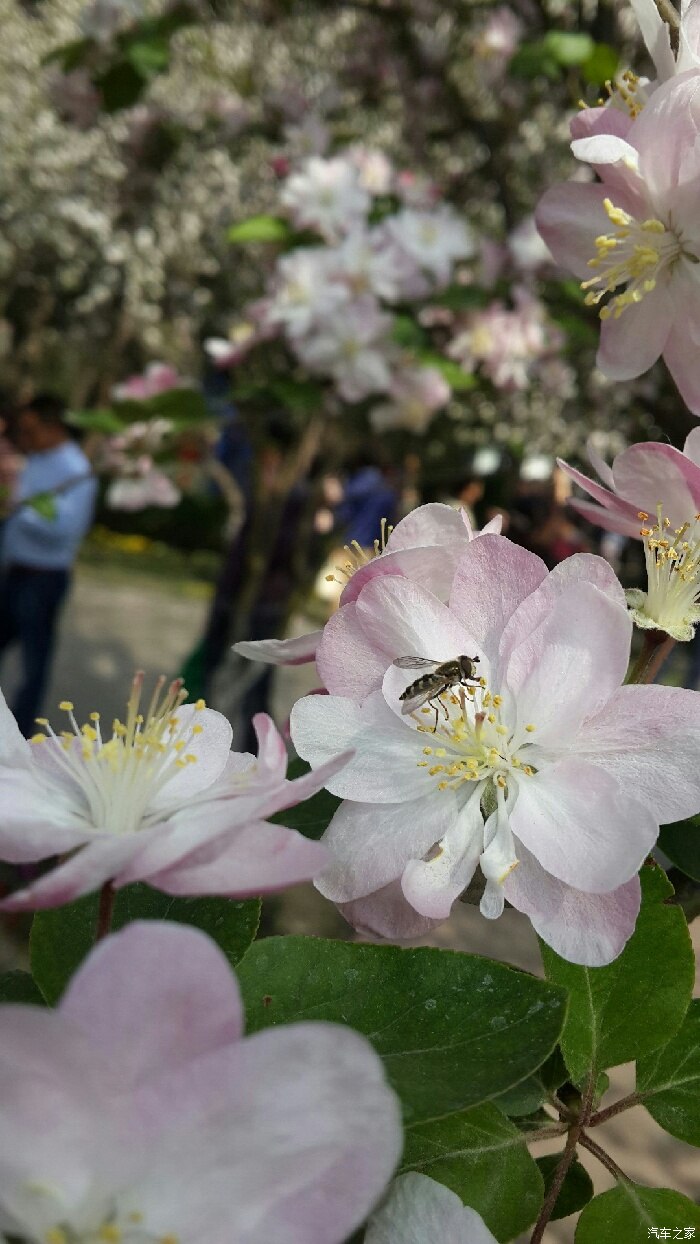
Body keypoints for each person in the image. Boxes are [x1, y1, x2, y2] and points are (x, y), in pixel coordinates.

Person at [0, 394, 97, 736]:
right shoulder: (37, 459)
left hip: (43, 580)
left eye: (29, 431)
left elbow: (68, 528)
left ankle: (21, 737)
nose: (25, 439)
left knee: (33, 664)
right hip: (15, 573)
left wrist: (22, 509)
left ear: (52, 427)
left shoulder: (76, 469)